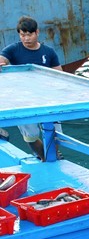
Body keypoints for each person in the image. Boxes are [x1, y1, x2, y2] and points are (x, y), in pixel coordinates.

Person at [0, 16, 62, 161]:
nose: (26, 38)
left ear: (37, 33)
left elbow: (59, 74)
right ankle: (43, 157)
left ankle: (53, 156)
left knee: (56, 135)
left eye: (29, 34)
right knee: (31, 136)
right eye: (23, 35)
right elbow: (3, 57)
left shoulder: (49, 52)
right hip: (23, 99)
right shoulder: (13, 49)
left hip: (47, 98)